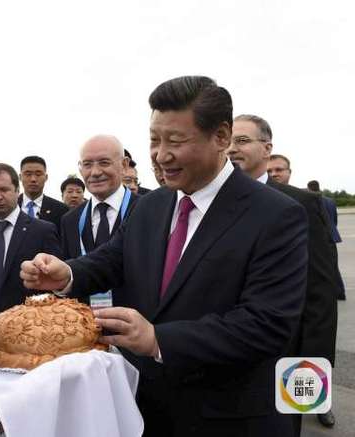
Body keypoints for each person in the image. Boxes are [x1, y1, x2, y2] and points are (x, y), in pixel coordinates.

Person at [21, 76, 308, 437]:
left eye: (175, 141)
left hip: (228, 417)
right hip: (146, 410)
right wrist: (67, 273)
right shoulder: (150, 205)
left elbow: (266, 324)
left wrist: (159, 339)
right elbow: (114, 258)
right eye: (154, 140)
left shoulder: (276, 215)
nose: (160, 155)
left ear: (221, 137)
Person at [227, 113, 340, 435]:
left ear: (267, 148)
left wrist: (312, 369)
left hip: (282, 362)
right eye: (228, 141)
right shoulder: (210, 204)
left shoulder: (302, 204)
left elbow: (320, 293)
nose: (232, 149)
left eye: (242, 140)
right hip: (222, 363)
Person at [0, 163, 62, 334]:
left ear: (17, 190)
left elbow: (55, 284)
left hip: (28, 332)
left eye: (4, 189)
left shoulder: (43, 231)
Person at [59, 135, 139, 307]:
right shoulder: (70, 220)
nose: (95, 172)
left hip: (136, 318)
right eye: (87, 164)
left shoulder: (146, 210)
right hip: (85, 319)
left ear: (124, 165)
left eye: (104, 162)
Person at [307, 180, 346, 301]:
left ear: (309, 188)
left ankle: (328, 293)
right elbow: (334, 219)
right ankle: (340, 292)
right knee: (334, 265)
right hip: (332, 236)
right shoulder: (330, 201)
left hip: (320, 238)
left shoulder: (311, 200)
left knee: (322, 266)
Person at [17, 155, 68, 230]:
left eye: (38, 174)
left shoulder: (61, 210)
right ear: (20, 177)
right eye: (28, 174)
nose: (33, 179)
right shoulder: (10, 206)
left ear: (46, 177)